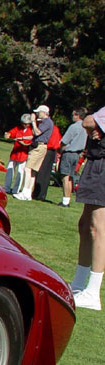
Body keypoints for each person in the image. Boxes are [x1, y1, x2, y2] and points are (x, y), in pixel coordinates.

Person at [69, 107, 105, 310]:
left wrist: (96, 124)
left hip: (102, 167)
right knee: (85, 225)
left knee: (98, 229)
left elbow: (88, 122)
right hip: (95, 164)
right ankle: (78, 284)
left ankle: (92, 292)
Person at [14, 105, 53, 201]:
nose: (37, 114)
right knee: (33, 172)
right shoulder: (45, 122)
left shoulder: (47, 122)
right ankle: (28, 193)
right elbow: (34, 136)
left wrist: (33, 121)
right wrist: (22, 138)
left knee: (28, 169)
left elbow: (37, 132)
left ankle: (25, 191)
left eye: (39, 112)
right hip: (39, 145)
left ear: (44, 112)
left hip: (39, 147)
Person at [57, 108, 88, 207]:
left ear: (77, 115)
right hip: (77, 154)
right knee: (70, 177)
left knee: (65, 177)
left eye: (73, 115)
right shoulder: (85, 127)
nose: (72, 117)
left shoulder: (74, 127)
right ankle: (67, 199)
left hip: (69, 152)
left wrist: (60, 150)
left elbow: (64, 141)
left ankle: (65, 200)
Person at [3, 114, 34, 194]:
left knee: (20, 172)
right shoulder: (18, 128)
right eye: (23, 123)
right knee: (10, 170)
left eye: (26, 124)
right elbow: (11, 133)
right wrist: (8, 135)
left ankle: (16, 189)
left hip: (24, 154)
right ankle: (6, 187)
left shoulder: (31, 131)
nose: (24, 125)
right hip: (15, 153)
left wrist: (23, 143)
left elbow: (30, 142)